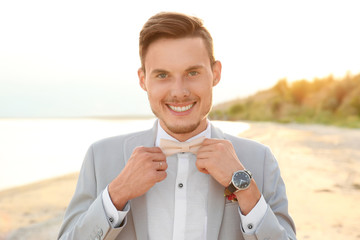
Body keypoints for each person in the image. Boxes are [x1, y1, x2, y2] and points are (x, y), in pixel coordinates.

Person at [58, 12, 296, 240]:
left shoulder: (260, 160)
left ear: (215, 73)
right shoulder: (99, 158)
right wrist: (116, 194)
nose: (179, 91)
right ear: (143, 80)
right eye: (162, 75)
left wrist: (244, 187)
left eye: (192, 72)